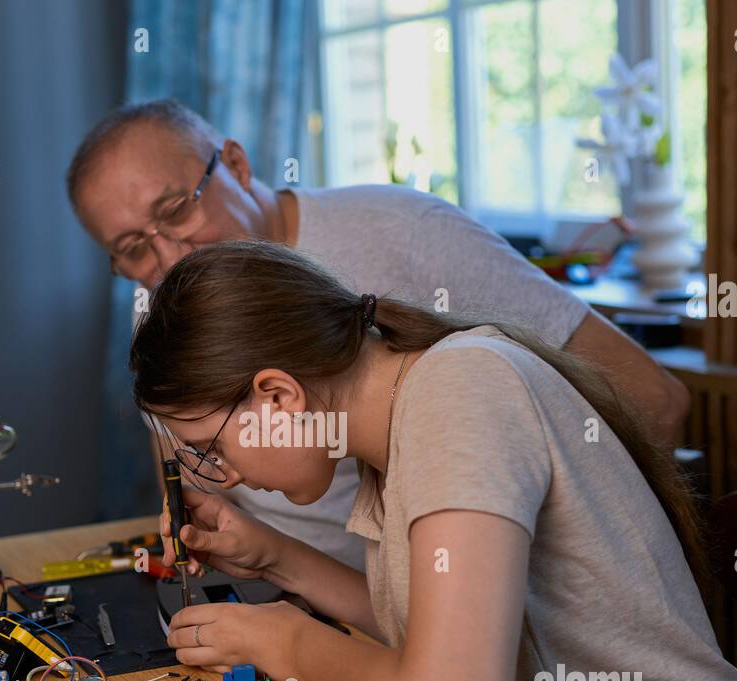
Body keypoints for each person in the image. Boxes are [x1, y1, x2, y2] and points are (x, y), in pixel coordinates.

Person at [129, 239, 737, 681]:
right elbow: (431, 637)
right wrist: (274, 558)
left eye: (213, 448)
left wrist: (286, 642)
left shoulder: (459, 399)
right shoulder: (397, 416)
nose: (227, 475)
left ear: (277, 395)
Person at [66, 99, 690, 570]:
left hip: (443, 620)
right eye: (131, 249)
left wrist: (496, 578)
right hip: (323, 602)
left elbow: (656, 401)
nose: (168, 256)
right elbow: (179, 453)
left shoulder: (405, 233)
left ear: (234, 163)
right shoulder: (158, 301)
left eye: (177, 211)